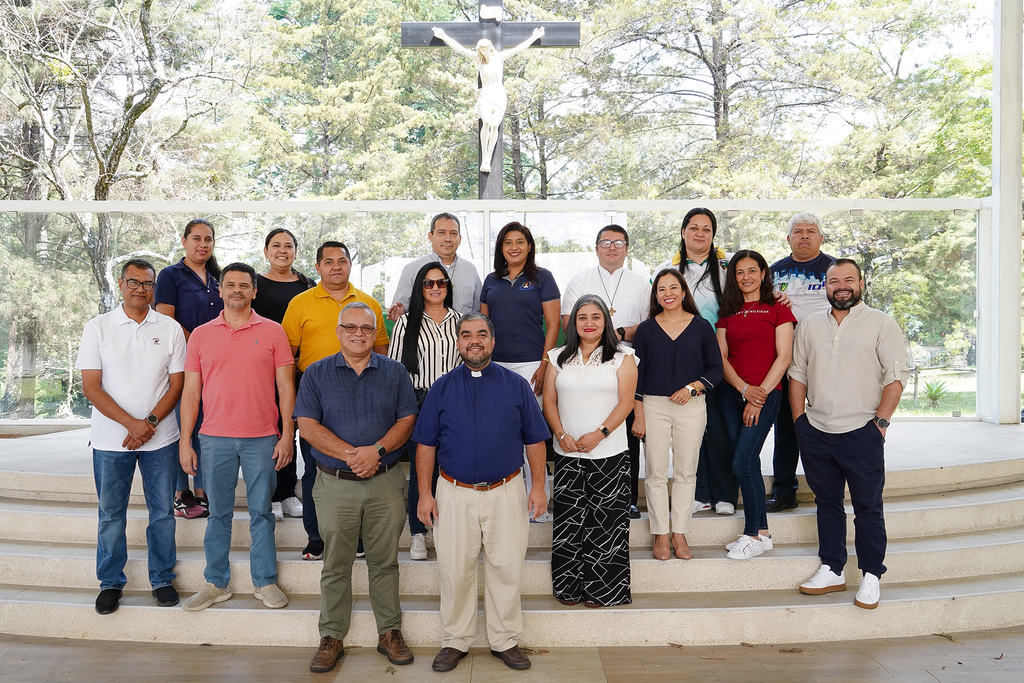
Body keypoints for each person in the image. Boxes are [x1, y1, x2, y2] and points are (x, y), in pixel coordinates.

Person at [413, 313, 550, 672]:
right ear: (458, 342)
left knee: (506, 567)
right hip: (453, 492)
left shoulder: (516, 386)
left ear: (492, 341)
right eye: (466, 334)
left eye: (481, 334)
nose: (474, 340)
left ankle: (505, 639)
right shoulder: (441, 388)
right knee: (454, 570)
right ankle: (455, 640)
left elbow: (535, 439)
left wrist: (538, 486)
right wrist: (425, 494)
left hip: (506, 491)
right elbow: (425, 444)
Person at [295, 302, 418, 674]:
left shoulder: (395, 372)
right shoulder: (315, 374)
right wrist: (354, 456)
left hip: (386, 482)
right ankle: (331, 635)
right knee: (335, 563)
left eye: (366, 328)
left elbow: (407, 419)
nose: (358, 334)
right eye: (350, 327)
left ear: (375, 332)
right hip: (335, 485)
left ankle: (390, 632)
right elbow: (307, 426)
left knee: (385, 562)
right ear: (338, 331)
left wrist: (376, 451)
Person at [791, 259, 910, 609]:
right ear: (825, 286)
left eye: (848, 280)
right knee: (827, 504)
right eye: (834, 281)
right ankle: (832, 569)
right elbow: (798, 373)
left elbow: (895, 376)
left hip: (862, 432)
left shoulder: (882, 323)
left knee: (868, 508)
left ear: (860, 284)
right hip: (816, 431)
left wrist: (881, 424)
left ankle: (871, 575)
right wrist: (800, 422)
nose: (841, 286)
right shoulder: (810, 325)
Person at [179, 263, 295, 612]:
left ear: (254, 291)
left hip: (262, 437)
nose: (237, 290)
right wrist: (185, 441)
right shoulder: (201, 335)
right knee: (218, 514)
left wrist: (287, 434)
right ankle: (216, 583)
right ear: (220, 290)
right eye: (230, 284)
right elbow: (190, 393)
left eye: (244, 285)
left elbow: (286, 388)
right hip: (214, 438)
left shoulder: (273, 332)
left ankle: (265, 581)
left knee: (262, 513)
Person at [76, 259, 186, 615]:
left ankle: (162, 578)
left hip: (161, 438)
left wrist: (149, 422)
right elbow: (91, 387)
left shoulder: (170, 328)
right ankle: (110, 582)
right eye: (134, 282)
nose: (141, 289)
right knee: (111, 514)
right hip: (110, 441)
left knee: (162, 513)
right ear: (121, 284)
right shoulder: (98, 327)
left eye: (148, 284)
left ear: (154, 288)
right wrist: (131, 425)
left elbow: (177, 384)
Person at [282, 241, 390, 561]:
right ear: (317, 267)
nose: (336, 267)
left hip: (363, 393)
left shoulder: (368, 303)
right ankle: (316, 536)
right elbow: (286, 358)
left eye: (342, 261)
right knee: (314, 469)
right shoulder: (300, 303)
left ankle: (357, 536)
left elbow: (382, 354)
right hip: (316, 394)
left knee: (360, 466)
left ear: (350, 265)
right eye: (328, 262)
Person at [544, 294, 637, 607]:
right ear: (573, 323)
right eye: (582, 317)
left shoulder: (624, 357)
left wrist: (600, 434)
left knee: (607, 524)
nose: (589, 323)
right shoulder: (557, 356)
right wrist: (560, 434)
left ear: (605, 321)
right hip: (567, 451)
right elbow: (549, 400)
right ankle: (568, 588)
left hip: (610, 453)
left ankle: (604, 591)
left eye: (596, 317)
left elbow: (626, 402)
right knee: (569, 523)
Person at [559, 225, 650, 519]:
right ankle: (580, 495)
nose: (612, 247)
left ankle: (629, 497)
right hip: (585, 359)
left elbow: (648, 326)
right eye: (606, 242)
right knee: (584, 423)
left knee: (626, 429)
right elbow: (567, 321)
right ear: (596, 247)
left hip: (625, 362)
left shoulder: (641, 283)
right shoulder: (580, 279)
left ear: (627, 248)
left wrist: (617, 333)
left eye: (618, 243)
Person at [632, 269, 723, 561]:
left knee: (686, 471)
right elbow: (638, 376)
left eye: (673, 287)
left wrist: (692, 388)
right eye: (661, 289)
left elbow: (716, 370)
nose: (667, 293)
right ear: (656, 296)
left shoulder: (701, 327)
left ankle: (680, 532)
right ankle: (660, 533)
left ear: (684, 292)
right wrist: (638, 414)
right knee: (655, 472)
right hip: (653, 406)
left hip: (691, 407)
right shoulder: (646, 330)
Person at [715, 251, 795, 560]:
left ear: (763, 273)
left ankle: (750, 535)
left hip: (767, 394)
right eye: (739, 272)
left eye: (752, 270)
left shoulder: (778, 308)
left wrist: (757, 395)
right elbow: (721, 358)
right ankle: (762, 533)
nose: (746, 277)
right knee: (747, 462)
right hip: (732, 393)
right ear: (733, 277)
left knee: (741, 463)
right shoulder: (728, 310)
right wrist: (743, 389)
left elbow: (784, 357)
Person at [479, 221, 560, 521]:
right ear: (501, 248)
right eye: (507, 242)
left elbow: (554, 324)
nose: (514, 247)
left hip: (531, 366)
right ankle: (501, 502)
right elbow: (483, 327)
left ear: (529, 246)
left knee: (530, 435)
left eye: (520, 241)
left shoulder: (543, 278)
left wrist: (544, 364)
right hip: (495, 366)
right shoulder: (491, 280)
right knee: (498, 434)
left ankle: (537, 505)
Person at [658, 208, 735, 517]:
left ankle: (724, 494)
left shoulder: (727, 268)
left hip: (721, 359)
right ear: (683, 232)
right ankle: (699, 493)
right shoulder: (668, 270)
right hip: (683, 361)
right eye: (693, 227)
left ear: (713, 235)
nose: (699, 233)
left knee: (719, 429)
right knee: (690, 432)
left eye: (706, 229)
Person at [387, 263, 462, 562]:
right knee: (422, 471)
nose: (435, 288)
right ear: (420, 287)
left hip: (454, 402)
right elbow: (395, 370)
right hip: (418, 401)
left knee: (452, 467)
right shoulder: (406, 322)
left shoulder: (460, 321)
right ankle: (419, 533)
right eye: (428, 283)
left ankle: (447, 530)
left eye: (441, 283)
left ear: (448, 287)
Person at [154, 218, 223, 519]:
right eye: (196, 238)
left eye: (208, 239)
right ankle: (181, 493)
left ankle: (202, 492)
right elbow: (165, 319)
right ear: (184, 241)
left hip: (215, 365)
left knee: (206, 427)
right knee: (184, 426)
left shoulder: (219, 278)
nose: (203, 244)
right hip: (182, 363)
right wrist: (199, 344)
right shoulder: (171, 276)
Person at [768, 212, 836, 513]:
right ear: (788, 238)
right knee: (787, 428)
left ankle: (829, 490)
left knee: (829, 425)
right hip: (786, 361)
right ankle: (785, 491)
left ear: (820, 237)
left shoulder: (835, 269)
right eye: (798, 231)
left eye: (810, 231)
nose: (804, 236)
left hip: (827, 360)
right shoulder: (773, 272)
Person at [252, 227, 313, 522]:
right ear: (266, 251)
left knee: (294, 429)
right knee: (271, 430)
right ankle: (272, 495)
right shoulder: (255, 285)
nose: (282, 251)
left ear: (295, 252)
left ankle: (288, 493)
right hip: (264, 371)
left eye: (288, 246)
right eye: (276, 245)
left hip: (299, 371)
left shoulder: (307, 285)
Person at [431, 26, 545, 173]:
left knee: (494, 125)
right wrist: (444, 36)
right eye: (481, 50)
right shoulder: (479, 60)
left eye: (485, 49)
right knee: (486, 122)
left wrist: (534, 37)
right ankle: (484, 156)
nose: (483, 52)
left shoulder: (499, 57)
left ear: (490, 47)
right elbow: (460, 49)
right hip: (485, 95)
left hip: (499, 96)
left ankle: (488, 159)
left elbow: (518, 49)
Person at [387, 213, 482, 319]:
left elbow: (478, 311)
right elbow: (400, 311)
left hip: (462, 329)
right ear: (430, 236)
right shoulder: (412, 270)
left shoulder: (470, 269)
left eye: (453, 233)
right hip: (423, 330)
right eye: (441, 233)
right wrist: (399, 314)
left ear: (460, 239)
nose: (448, 239)